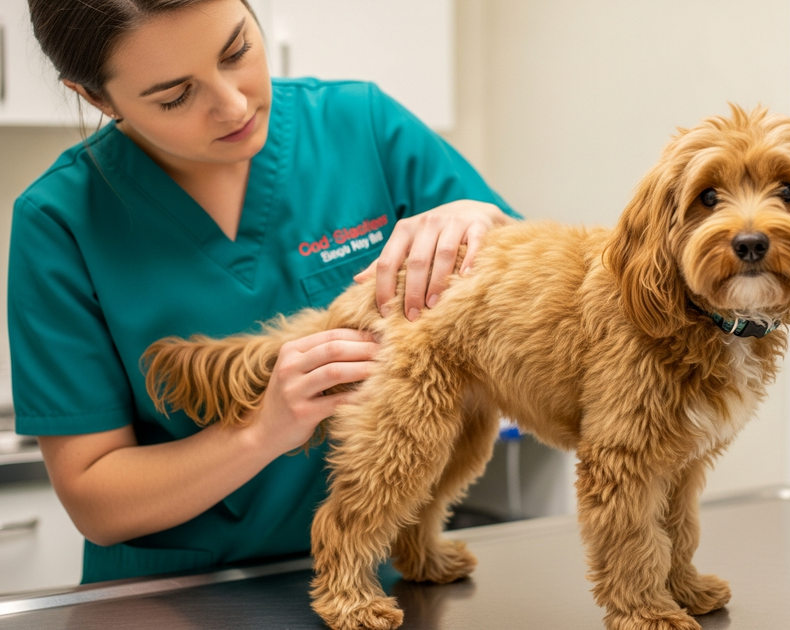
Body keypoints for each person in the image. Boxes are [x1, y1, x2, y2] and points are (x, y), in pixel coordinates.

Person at [9, 0, 518, 583]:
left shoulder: (362, 126)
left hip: (376, 581)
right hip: (174, 598)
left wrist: (488, 222)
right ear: (97, 98)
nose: (232, 105)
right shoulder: (61, 222)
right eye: (175, 96)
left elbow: (542, 307)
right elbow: (96, 501)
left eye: (237, 52)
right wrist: (260, 432)